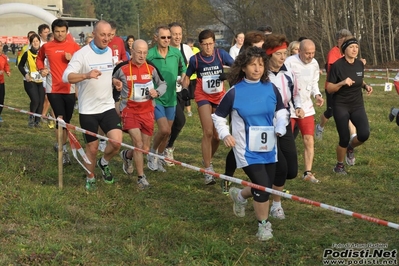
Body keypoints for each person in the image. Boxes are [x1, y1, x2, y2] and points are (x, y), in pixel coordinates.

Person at [212, 46, 288, 241]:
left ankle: (240, 196)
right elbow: (218, 117)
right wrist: (225, 134)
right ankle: (263, 225)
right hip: (245, 149)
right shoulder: (234, 92)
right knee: (262, 186)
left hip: (269, 146)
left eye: (261, 65)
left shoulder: (271, 88)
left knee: (265, 186)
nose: (257, 69)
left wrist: (280, 126)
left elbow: (281, 112)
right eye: (252, 65)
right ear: (243, 67)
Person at [62, 20, 123, 190]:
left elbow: (105, 75)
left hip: (107, 106)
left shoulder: (109, 51)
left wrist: (114, 81)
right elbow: (66, 77)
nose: (106, 38)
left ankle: (104, 163)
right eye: (102, 35)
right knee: (93, 147)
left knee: (117, 142)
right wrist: (86, 75)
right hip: (88, 109)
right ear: (94, 34)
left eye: (109, 35)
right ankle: (90, 177)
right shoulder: (82, 54)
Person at [182, 29, 234, 185]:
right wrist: (185, 89)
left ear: (214, 43)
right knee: (208, 131)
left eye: (211, 44)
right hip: (203, 95)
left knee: (218, 136)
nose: (208, 48)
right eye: (205, 45)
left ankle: (208, 160)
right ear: (200, 44)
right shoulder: (195, 60)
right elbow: (186, 77)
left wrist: (227, 74)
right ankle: (208, 169)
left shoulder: (221, 55)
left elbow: (238, 66)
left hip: (219, 96)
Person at [113, 39, 167, 189]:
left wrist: (157, 92)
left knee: (144, 148)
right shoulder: (122, 67)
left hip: (147, 110)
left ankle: (127, 155)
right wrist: (115, 87)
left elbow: (163, 84)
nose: (142, 56)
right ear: (132, 52)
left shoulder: (151, 67)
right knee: (137, 143)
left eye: (145, 52)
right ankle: (141, 178)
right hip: (129, 110)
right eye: (139, 52)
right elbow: (110, 80)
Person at [263, 34, 304, 219]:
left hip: (285, 122)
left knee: (292, 170)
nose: (282, 57)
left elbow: (295, 94)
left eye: (285, 53)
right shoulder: (261, 74)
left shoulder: (288, 73)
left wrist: (299, 107)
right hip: (266, 126)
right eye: (278, 54)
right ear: (269, 55)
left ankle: (250, 190)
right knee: (280, 167)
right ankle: (276, 205)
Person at [36, 19, 81, 165]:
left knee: (66, 122)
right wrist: (41, 69)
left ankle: (62, 146)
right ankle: (63, 150)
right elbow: (39, 59)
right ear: (52, 31)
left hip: (69, 89)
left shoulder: (74, 46)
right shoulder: (47, 47)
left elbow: (82, 64)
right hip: (53, 89)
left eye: (63, 31)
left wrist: (72, 59)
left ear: (66, 31)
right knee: (60, 119)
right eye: (57, 32)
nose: (60, 34)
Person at [326, 36, 372, 174]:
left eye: (356, 47)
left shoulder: (359, 64)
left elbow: (359, 80)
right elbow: (329, 88)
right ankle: (339, 166)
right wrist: (341, 83)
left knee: (364, 134)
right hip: (341, 105)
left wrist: (365, 86)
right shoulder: (337, 66)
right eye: (351, 47)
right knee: (344, 138)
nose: (354, 49)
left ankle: (350, 148)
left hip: (357, 104)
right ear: (345, 49)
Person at [146, 25, 187, 172]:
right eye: (163, 37)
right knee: (163, 129)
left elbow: (183, 69)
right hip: (156, 98)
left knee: (168, 132)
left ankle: (159, 157)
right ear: (156, 37)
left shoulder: (176, 53)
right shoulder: (149, 54)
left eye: (169, 37)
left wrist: (183, 79)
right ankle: (152, 154)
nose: (167, 40)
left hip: (171, 98)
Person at [284, 39, 324, 183]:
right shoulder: (289, 62)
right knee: (285, 140)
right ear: (299, 51)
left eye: (313, 53)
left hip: (306, 108)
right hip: (289, 108)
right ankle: (281, 168)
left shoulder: (314, 63)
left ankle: (307, 172)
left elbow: (314, 83)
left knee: (309, 139)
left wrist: (317, 95)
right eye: (307, 53)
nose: (310, 56)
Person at [163, 22, 194, 167]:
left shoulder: (186, 49)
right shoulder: (164, 50)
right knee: (180, 120)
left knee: (175, 122)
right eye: (174, 34)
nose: (177, 37)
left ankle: (165, 146)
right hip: (168, 92)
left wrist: (187, 79)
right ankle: (167, 147)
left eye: (179, 34)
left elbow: (194, 66)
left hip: (181, 90)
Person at [316, 29, 356, 141]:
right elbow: (334, 70)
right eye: (343, 39)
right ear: (338, 40)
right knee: (330, 112)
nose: (345, 41)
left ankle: (353, 136)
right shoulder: (334, 52)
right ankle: (320, 127)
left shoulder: (348, 51)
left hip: (346, 88)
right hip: (333, 87)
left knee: (349, 111)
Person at [98, 21, 128, 152]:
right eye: (108, 34)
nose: (109, 38)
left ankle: (112, 133)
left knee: (114, 107)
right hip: (103, 78)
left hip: (116, 78)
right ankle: (101, 139)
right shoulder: (100, 42)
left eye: (112, 35)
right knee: (102, 109)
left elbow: (123, 56)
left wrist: (121, 62)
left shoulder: (119, 41)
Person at [17, 33, 44, 127]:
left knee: (41, 101)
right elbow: (20, 66)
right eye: (33, 41)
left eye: (37, 41)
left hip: (41, 81)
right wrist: (25, 74)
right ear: (31, 43)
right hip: (30, 80)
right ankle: (31, 118)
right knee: (35, 100)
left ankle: (37, 121)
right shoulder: (27, 53)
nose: (36, 43)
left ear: (40, 42)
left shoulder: (43, 53)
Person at [185, 38, 200, 117]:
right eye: (189, 46)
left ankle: (200, 108)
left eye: (191, 46)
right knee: (187, 95)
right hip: (186, 76)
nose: (190, 48)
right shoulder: (183, 50)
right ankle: (189, 111)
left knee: (195, 95)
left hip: (195, 77)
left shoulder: (196, 50)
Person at [0, 41, 11, 124]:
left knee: (1, 100)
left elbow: (6, 65)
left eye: (0, 46)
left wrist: (7, 71)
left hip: (1, 82)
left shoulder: (3, 57)